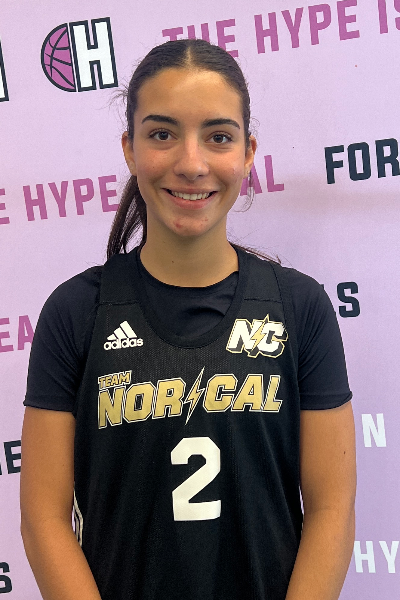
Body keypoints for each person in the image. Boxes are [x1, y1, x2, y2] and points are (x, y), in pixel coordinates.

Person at [20, 39, 356, 600]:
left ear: (248, 153)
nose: (192, 164)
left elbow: (332, 510)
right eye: (162, 134)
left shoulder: (301, 308)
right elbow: (43, 519)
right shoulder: (75, 313)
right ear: (129, 149)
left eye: (218, 137)